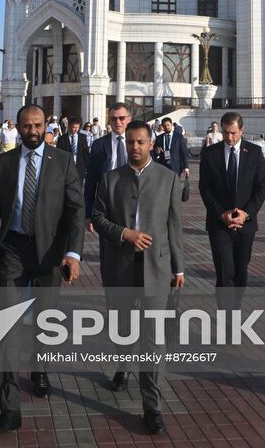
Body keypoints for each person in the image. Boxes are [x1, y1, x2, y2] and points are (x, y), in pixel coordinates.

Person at [0, 104, 84, 435]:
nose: (33, 131)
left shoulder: (63, 161)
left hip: (49, 254)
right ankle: (9, 409)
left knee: (45, 320)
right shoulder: (5, 163)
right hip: (12, 249)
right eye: (27, 126)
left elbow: (76, 211)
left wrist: (73, 253)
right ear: (19, 127)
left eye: (38, 125)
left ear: (45, 126)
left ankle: (40, 368)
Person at [92, 119, 184, 436]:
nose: (135, 147)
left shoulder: (168, 179)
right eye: (130, 142)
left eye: (141, 142)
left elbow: (174, 226)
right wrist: (125, 233)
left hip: (156, 270)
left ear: (151, 143)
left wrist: (180, 267)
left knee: (152, 341)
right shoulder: (111, 179)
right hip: (120, 267)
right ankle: (121, 366)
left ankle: (152, 407)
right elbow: (98, 218)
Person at [198, 112, 265, 308]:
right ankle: (226, 315)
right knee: (224, 270)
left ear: (242, 131)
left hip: (246, 224)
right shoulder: (210, 154)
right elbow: (205, 188)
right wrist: (221, 213)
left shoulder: (254, 153)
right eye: (226, 133)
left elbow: (262, 187)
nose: (229, 138)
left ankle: (235, 307)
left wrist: (246, 214)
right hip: (218, 223)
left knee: (241, 271)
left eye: (233, 133)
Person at [84, 103, 131, 228]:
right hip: (106, 205)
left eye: (121, 118)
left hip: (132, 203)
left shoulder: (136, 143)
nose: (118, 122)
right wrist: (88, 214)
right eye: (113, 119)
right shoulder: (99, 145)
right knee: (107, 245)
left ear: (129, 119)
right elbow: (91, 181)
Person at [56, 113, 90, 182]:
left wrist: (88, 167)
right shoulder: (62, 139)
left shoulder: (83, 137)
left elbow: (85, 153)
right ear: (69, 126)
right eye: (74, 127)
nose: (76, 129)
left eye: (77, 127)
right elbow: (58, 155)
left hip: (79, 168)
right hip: (66, 169)